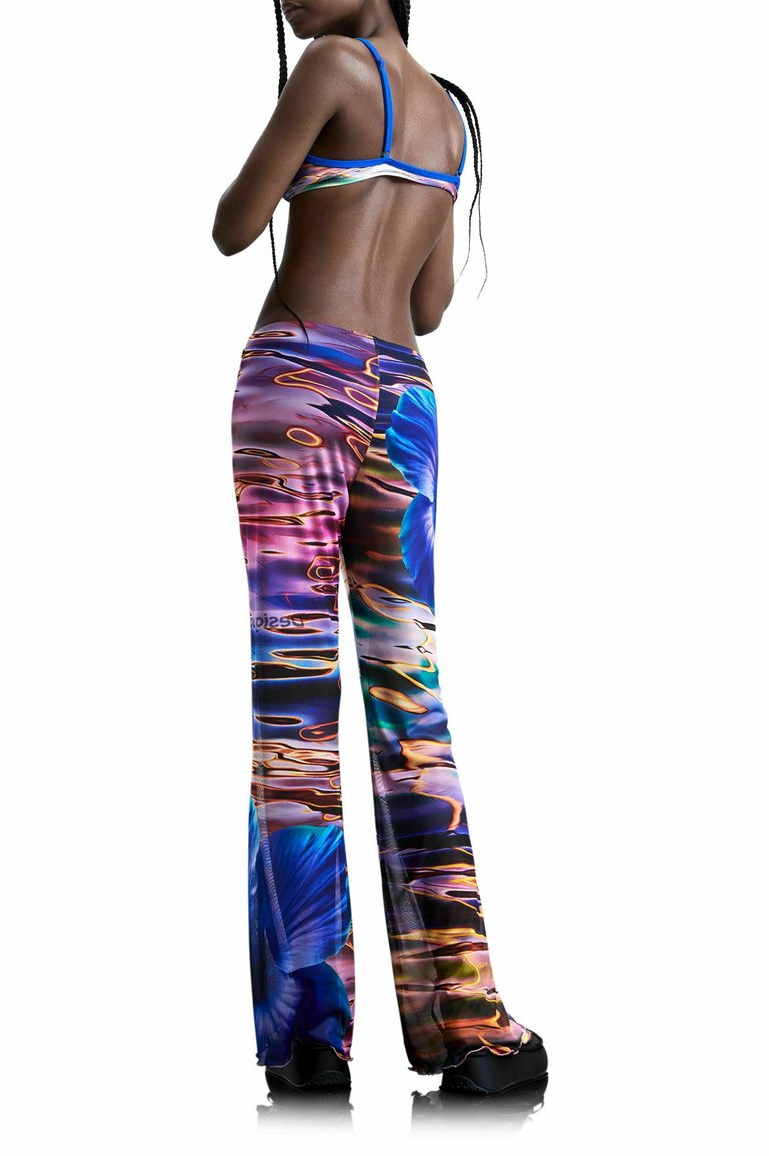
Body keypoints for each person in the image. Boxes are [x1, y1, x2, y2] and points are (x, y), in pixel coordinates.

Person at [212, 0, 547, 1096]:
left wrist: (308, 179)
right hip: (404, 399)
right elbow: (431, 302)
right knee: (412, 701)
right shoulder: (449, 112)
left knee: (296, 698)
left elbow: (231, 225)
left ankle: (311, 1033)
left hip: (300, 388)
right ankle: (467, 1023)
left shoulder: (328, 64)